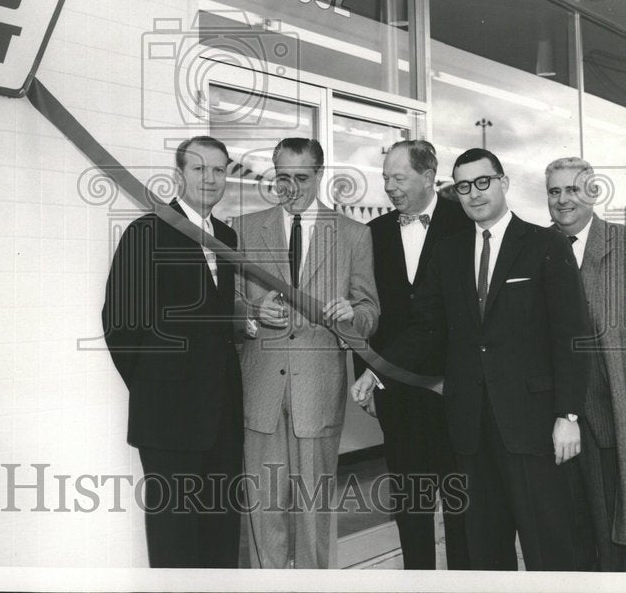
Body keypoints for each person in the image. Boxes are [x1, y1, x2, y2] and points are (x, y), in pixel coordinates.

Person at [386, 147, 592, 571]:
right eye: (463, 187)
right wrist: (378, 370)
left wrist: (567, 415)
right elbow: (427, 327)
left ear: (503, 183)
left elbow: (572, 335)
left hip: (532, 427)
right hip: (470, 430)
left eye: (483, 182)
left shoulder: (544, 243)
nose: (474, 194)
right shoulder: (448, 252)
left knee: (548, 549)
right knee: (484, 553)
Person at [233, 137, 379, 569]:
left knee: (314, 511)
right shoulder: (242, 229)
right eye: (282, 178)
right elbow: (228, 303)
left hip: (318, 391)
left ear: (319, 175)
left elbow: (371, 309)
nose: (290, 187)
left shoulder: (354, 234)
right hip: (259, 390)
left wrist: (354, 313)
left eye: (301, 178)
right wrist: (253, 313)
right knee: (263, 508)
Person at [101, 136, 242, 568]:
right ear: (179, 175)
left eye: (219, 170)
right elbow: (119, 325)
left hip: (222, 415)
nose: (211, 178)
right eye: (200, 169)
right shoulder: (148, 230)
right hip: (169, 418)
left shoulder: (227, 236)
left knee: (221, 534)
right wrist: (157, 385)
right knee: (174, 541)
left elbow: (214, 322)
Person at [546, 157, 626, 571]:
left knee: (617, 530)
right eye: (554, 191)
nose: (563, 200)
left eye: (573, 189)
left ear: (594, 192)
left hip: (612, 410)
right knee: (568, 531)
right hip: (554, 414)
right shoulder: (536, 247)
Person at [351, 139, 471, 570]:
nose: (389, 187)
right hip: (397, 394)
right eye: (385, 178)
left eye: (398, 178)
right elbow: (366, 310)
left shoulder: (466, 222)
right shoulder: (375, 232)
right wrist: (369, 376)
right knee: (410, 506)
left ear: (427, 176)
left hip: (456, 394)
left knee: (463, 510)